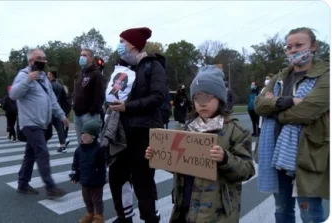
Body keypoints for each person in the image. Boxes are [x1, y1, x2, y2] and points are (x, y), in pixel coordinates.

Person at [146, 65, 255, 222]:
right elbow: (180, 165)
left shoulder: (235, 130)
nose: (202, 103)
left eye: (208, 97)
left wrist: (225, 159)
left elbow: (247, 170)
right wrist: (158, 155)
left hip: (215, 215)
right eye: (197, 98)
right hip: (185, 208)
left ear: (220, 98)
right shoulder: (187, 129)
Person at [255, 27, 329, 223]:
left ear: (313, 47)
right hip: (275, 154)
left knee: (310, 214)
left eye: (299, 45)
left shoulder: (326, 76)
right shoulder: (280, 76)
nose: (293, 50)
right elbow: (259, 105)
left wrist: (275, 111)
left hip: (307, 156)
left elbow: (308, 111)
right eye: (289, 47)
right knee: (282, 211)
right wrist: (289, 101)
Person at [108, 27, 167, 223]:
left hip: (144, 132)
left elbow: (159, 97)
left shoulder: (152, 65)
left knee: (143, 182)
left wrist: (128, 107)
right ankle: (124, 217)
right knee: (117, 177)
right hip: (121, 132)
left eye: (122, 42)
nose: (120, 45)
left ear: (132, 44)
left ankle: (150, 218)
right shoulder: (121, 68)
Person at [10, 48, 68, 199]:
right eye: (38, 58)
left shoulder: (44, 78)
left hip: (42, 123)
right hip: (30, 122)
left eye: (43, 58)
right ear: (30, 61)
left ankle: (22, 184)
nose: (42, 61)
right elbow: (13, 94)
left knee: (30, 155)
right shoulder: (23, 75)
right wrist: (28, 79)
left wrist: (61, 115)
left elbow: (52, 100)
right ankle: (50, 188)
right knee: (42, 152)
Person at [70, 120, 106, 223]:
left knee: (97, 200)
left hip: (96, 181)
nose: (84, 137)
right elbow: (75, 165)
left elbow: (102, 166)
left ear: (94, 136)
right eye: (83, 135)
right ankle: (90, 214)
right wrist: (74, 176)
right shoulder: (79, 150)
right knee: (87, 200)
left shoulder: (99, 149)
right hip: (84, 180)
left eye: (88, 135)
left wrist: (102, 179)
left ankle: (99, 217)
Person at [73, 48, 105, 144]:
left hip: (89, 115)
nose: (81, 57)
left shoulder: (96, 74)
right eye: (81, 55)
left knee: (91, 143)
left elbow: (100, 94)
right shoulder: (81, 73)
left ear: (91, 58)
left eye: (84, 55)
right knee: (81, 143)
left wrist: (93, 110)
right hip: (77, 114)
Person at [47, 70, 71, 152]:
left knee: (45, 127)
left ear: (51, 75)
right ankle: (63, 145)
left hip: (51, 110)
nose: (47, 76)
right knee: (60, 128)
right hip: (59, 109)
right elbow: (65, 99)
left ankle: (42, 145)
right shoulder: (60, 86)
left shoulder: (49, 85)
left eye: (48, 74)